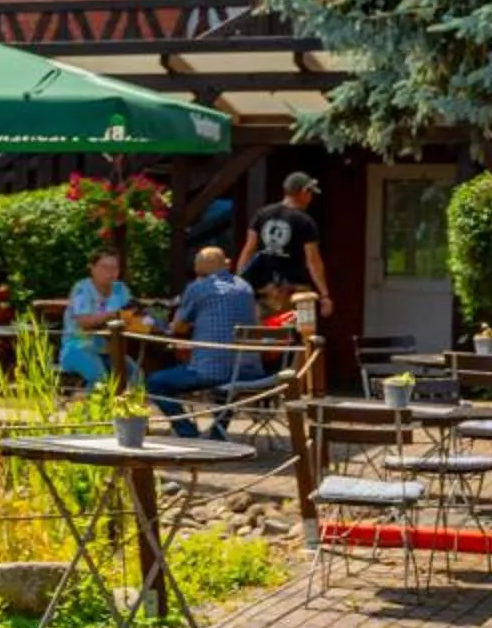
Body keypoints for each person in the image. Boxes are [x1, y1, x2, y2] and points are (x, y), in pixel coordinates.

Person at [146, 247, 262, 439]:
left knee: (154, 383)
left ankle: (187, 431)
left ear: (198, 267)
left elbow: (178, 329)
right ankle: (217, 433)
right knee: (226, 381)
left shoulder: (199, 288)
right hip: (247, 371)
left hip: (212, 371)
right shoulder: (245, 288)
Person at [237, 171, 333, 318]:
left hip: (264, 289)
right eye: (310, 193)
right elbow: (313, 260)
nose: (310, 198)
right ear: (303, 192)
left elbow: (248, 250)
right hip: (294, 290)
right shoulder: (305, 221)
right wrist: (324, 294)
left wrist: (239, 281)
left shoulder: (261, 215)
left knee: (264, 334)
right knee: (298, 334)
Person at [58, 249, 134, 390]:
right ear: (92, 268)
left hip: (110, 349)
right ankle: (91, 412)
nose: (110, 272)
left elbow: (131, 313)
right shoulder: (81, 289)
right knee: (100, 378)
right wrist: (113, 314)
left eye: (114, 268)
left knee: (136, 376)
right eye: (105, 267)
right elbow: (84, 322)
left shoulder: (121, 290)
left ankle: (128, 411)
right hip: (77, 346)